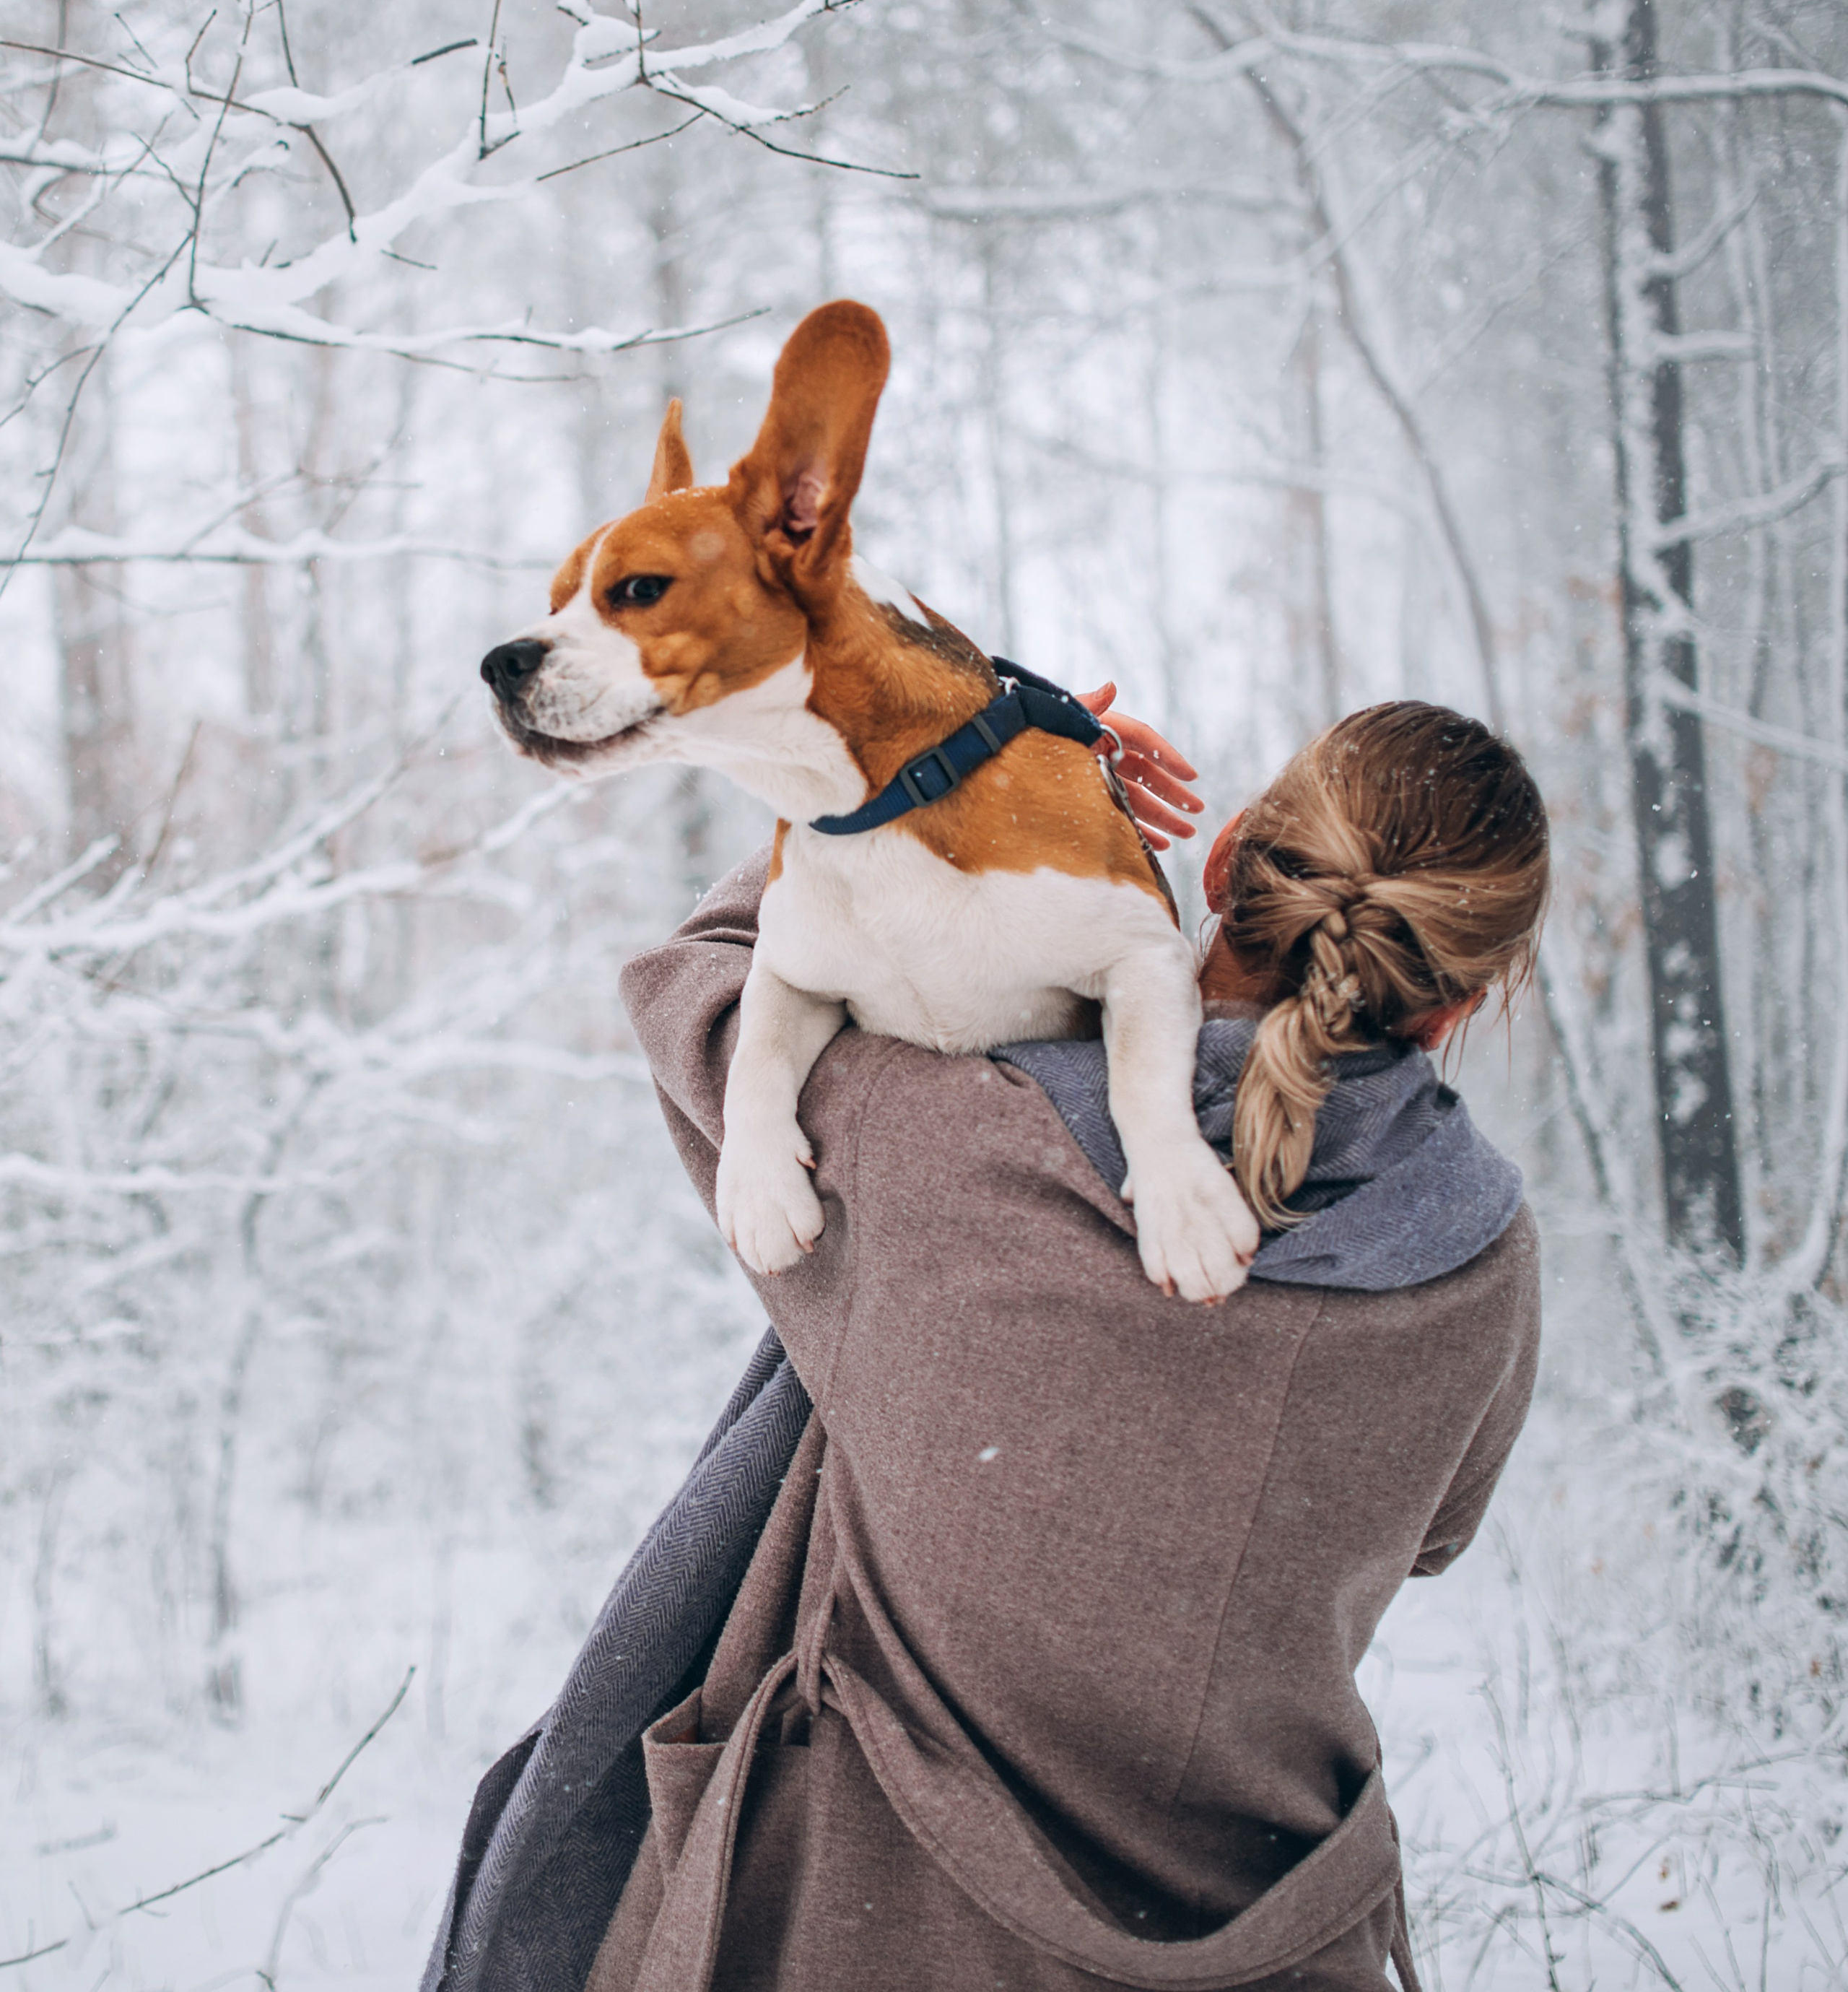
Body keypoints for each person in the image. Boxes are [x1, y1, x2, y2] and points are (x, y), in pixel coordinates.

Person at [424, 699, 1547, 1992]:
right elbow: (1437, 1536)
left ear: (1226, 856)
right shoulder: (1481, 1262)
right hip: (1279, 1939)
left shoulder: (951, 1145)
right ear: (1455, 1008)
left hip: (870, 1928)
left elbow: (702, 976)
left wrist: (961, 778)